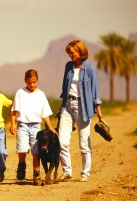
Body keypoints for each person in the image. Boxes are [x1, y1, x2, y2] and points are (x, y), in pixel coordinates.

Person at [58, 40, 103, 182]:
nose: (70, 55)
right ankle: (67, 172)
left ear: (80, 52)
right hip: (67, 105)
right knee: (62, 141)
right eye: (69, 53)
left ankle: (85, 173)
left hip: (83, 107)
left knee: (84, 143)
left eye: (72, 52)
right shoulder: (68, 66)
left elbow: (95, 91)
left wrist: (99, 111)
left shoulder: (90, 69)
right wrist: (61, 107)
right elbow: (64, 88)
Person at [10, 69, 58, 185]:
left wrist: (50, 127)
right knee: (22, 149)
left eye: (34, 82)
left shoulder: (41, 94)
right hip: (22, 125)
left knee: (36, 151)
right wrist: (12, 124)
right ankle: (22, 165)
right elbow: (13, 110)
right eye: (29, 82)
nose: (32, 85)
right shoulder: (20, 92)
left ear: (38, 80)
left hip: (36, 126)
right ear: (25, 81)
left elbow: (45, 114)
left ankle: (36, 175)